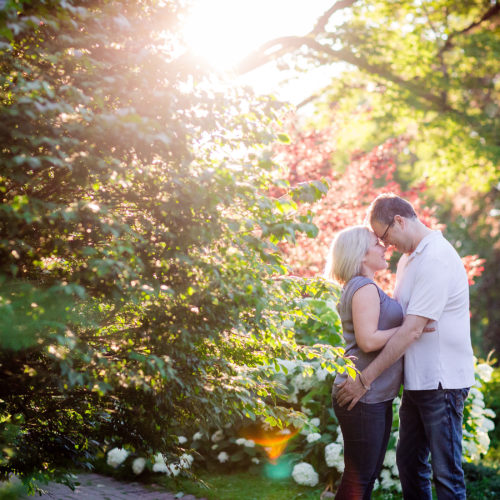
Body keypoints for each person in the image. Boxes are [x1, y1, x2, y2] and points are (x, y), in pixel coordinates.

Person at [336, 193, 475, 500]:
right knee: (410, 464)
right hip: (417, 381)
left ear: (399, 221)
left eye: (384, 235)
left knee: (446, 473)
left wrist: (365, 380)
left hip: (442, 381)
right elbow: (403, 323)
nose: (385, 245)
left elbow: (412, 330)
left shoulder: (435, 258)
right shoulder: (410, 259)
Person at [324, 225, 405, 499]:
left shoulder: (363, 285)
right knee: (359, 478)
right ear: (360, 254)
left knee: (365, 477)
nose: (385, 246)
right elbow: (368, 340)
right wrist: (413, 329)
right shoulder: (364, 286)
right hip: (360, 396)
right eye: (377, 243)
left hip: (371, 394)